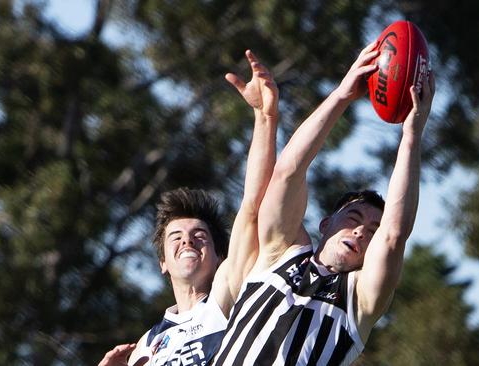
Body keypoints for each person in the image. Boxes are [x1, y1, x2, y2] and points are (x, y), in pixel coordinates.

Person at [212, 41, 435, 365]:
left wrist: (412, 135)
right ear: (325, 224)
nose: (361, 231)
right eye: (353, 217)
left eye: (371, 230)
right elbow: (288, 173)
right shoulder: (277, 255)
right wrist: (343, 94)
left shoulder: (357, 301)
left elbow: (394, 234)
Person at [98, 49, 285, 366]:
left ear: (219, 257)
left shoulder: (224, 298)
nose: (187, 241)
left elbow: (253, 209)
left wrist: (265, 118)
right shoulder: (146, 346)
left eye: (200, 235)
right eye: (176, 237)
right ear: (163, 264)